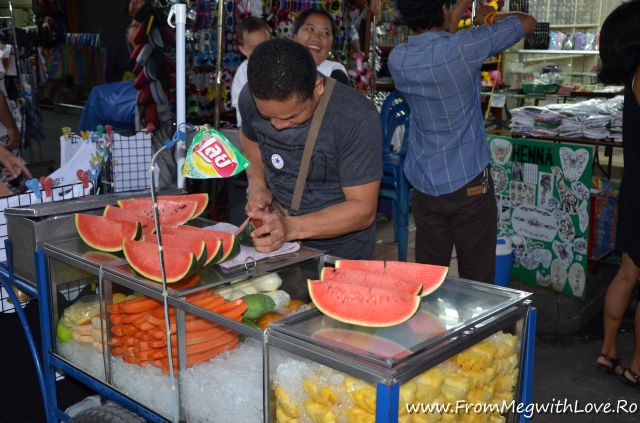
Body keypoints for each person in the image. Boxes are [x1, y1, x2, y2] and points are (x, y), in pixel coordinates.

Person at [387, 0, 536, 283]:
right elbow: (527, 22)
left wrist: (455, 13)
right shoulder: (466, 46)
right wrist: (489, 17)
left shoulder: (398, 59)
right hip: (472, 181)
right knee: (477, 276)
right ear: (443, 9)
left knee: (430, 277)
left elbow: (440, 46)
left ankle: (431, 312)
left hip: (424, 182)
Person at [238, 39, 382, 259]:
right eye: (267, 116)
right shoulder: (250, 97)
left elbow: (363, 210)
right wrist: (257, 184)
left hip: (340, 250)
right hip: (279, 245)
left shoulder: (356, 117)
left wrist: (290, 228)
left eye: (291, 117)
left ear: (317, 87)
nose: (277, 125)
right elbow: (249, 138)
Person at [596, 0, 640, 388]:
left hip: (635, 188)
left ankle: (608, 351)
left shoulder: (633, 75)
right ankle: (638, 366)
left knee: (628, 273)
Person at [231, 17, 272, 127]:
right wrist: (243, 126)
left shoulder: (278, 64)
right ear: (243, 50)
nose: (261, 52)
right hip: (252, 125)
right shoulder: (244, 70)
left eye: (264, 45)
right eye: (253, 49)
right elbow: (239, 102)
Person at [292, 9, 351, 85]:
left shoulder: (336, 76)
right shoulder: (281, 67)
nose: (316, 37)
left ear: (331, 45)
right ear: (295, 37)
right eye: (310, 29)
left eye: (325, 33)